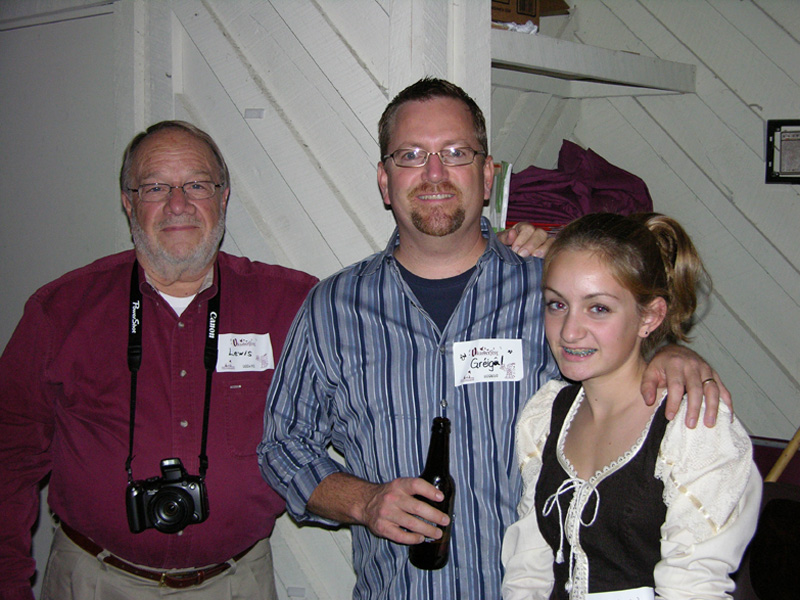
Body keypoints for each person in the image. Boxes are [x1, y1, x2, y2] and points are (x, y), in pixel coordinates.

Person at [257, 78, 729, 600]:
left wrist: (670, 353)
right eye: (411, 155)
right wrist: (364, 502)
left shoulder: (549, 291)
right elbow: (283, 445)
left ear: (487, 176)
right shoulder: (333, 309)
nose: (434, 173)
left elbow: (620, 356)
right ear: (385, 181)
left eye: (455, 152)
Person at [0, 121, 320, 599]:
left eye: (197, 184)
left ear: (223, 197)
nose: (178, 203)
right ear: (129, 202)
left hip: (237, 582)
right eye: (155, 187)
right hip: (91, 579)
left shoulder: (292, 305)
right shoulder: (61, 310)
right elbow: (9, 452)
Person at [501, 212, 761, 599]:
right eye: (557, 305)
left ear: (650, 316)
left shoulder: (692, 428)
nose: (569, 331)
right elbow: (529, 569)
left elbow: (694, 588)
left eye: (599, 308)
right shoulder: (546, 415)